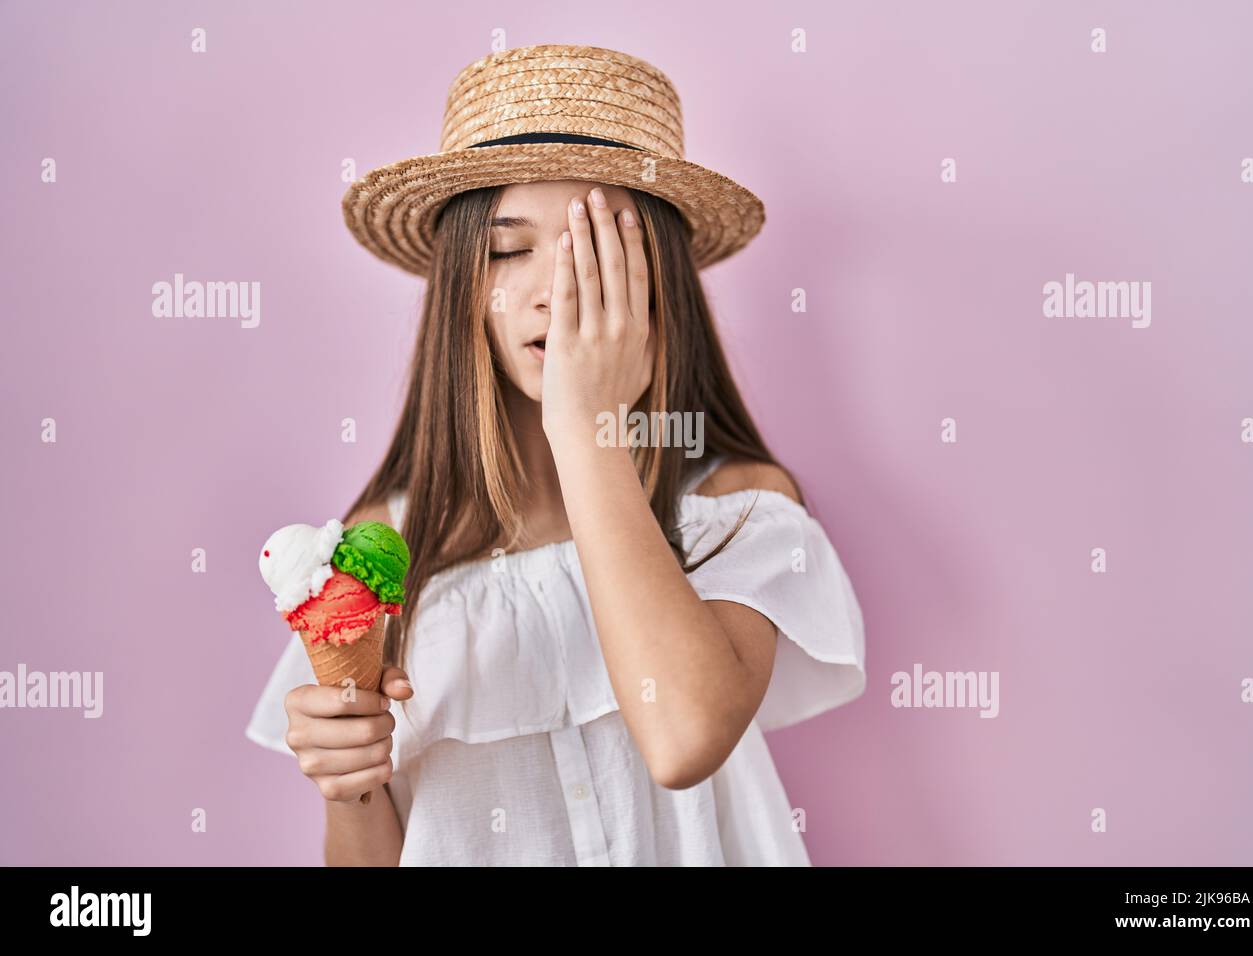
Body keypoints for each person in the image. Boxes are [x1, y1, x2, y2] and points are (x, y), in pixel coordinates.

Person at [245, 43, 865, 866]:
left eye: (598, 250)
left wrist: (588, 428)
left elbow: (684, 738)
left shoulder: (739, 506)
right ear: (463, 283)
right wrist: (351, 780)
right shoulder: (385, 547)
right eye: (509, 249)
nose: (554, 290)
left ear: (663, 281)